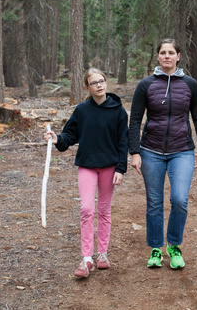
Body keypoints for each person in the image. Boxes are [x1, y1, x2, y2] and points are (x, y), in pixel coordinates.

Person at [129, 38, 197, 269]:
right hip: (150, 150)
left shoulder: (190, 84)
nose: (166, 56)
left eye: (171, 52)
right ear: (158, 56)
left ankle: (173, 245)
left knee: (179, 200)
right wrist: (134, 152)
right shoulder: (146, 85)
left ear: (178, 56)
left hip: (182, 151)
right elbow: (134, 120)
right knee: (154, 202)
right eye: (163, 52)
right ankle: (156, 248)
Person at [43, 68, 128, 278]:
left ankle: (102, 255)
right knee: (87, 209)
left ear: (106, 83)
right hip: (87, 166)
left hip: (109, 166)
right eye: (94, 83)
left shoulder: (118, 111)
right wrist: (57, 140)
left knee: (104, 211)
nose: (99, 85)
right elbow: (69, 135)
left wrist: (121, 168)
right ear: (87, 87)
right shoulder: (82, 110)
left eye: (102, 81)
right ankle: (87, 258)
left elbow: (123, 142)